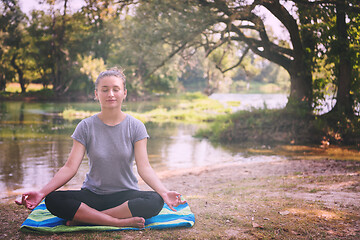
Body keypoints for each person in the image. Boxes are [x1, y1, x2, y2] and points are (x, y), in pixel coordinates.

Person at [15, 67, 186, 228]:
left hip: (125, 196)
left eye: (116, 89)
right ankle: (117, 222)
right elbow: (70, 167)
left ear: (124, 93)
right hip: (93, 195)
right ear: (96, 94)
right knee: (52, 199)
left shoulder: (136, 126)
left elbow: (144, 167)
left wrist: (164, 192)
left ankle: (87, 219)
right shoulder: (85, 126)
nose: (110, 94)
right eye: (104, 90)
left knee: (155, 200)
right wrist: (41, 193)